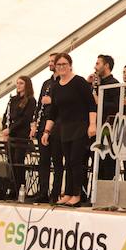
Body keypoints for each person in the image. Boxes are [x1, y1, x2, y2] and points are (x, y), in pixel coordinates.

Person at [41, 53, 97, 207]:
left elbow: (92, 104)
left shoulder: (78, 82)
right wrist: (46, 132)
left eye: (64, 64)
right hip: (64, 128)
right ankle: (68, 193)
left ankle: (76, 194)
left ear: (70, 65)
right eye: (58, 65)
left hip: (80, 126)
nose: (61, 67)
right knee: (68, 163)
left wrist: (92, 124)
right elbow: (53, 111)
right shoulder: (56, 86)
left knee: (75, 160)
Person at [28, 53, 58, 203]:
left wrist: (52, 100)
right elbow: (39, 105)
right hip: (42, 124)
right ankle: (43, 191)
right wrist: (34, 123)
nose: (50, 64)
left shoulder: (63, 81)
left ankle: (55, 193)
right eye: (50, 61)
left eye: (52, 61)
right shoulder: (46, 83)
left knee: (57, 161)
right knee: (44, 160)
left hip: (56, 125)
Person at [2, 76, 37, 193]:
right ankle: (10, 188)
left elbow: (25, 119)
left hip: (21, 135)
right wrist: (5, 129)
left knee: (18, 161)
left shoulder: (31, 100)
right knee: (10, 161)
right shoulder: (13, 99)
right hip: (11, 135)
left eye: (21, 83)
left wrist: (10, 129)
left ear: (27, 85)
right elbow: (6, 116)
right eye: (17, 83)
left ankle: (19, 189)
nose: (18, 85)